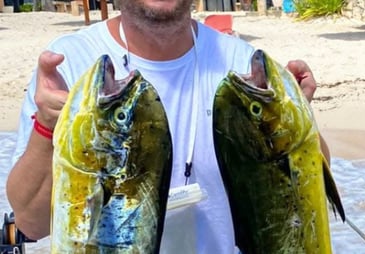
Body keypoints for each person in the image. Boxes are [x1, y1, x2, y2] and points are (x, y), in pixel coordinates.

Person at [5, 0, 329, 251]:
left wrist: (299, 118)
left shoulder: (243, 66)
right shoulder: (71, 64)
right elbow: (32, 223)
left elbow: (306, 202)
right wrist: (46, 127)